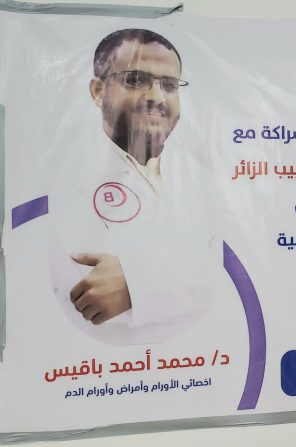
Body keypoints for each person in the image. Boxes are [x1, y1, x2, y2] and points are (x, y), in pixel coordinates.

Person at [48, 29, 214, 344]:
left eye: (169, 85)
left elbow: (229, 272)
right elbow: (90, 296)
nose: (157, 97)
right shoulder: (64, 178)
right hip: (105, 364)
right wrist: (186, 273)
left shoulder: (203, 176)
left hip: (204, 357)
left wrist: (137, 282)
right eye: (136, 80)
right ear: (98, 91)